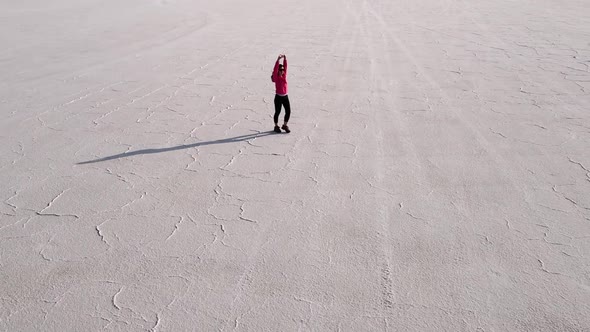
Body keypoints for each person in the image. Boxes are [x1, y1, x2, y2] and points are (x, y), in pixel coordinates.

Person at [271, 54, 291, 133]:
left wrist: (285, 59)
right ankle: (276, 126)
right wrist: (278, 60)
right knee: (277, 112)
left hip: (285, 97)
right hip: (278, 97)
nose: (282, 71)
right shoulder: (276, 78)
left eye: (283, 70)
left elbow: (286, 67)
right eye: (280, 70)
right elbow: (275, 69)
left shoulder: (284, 76)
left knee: (288, 111)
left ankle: (285, 125)